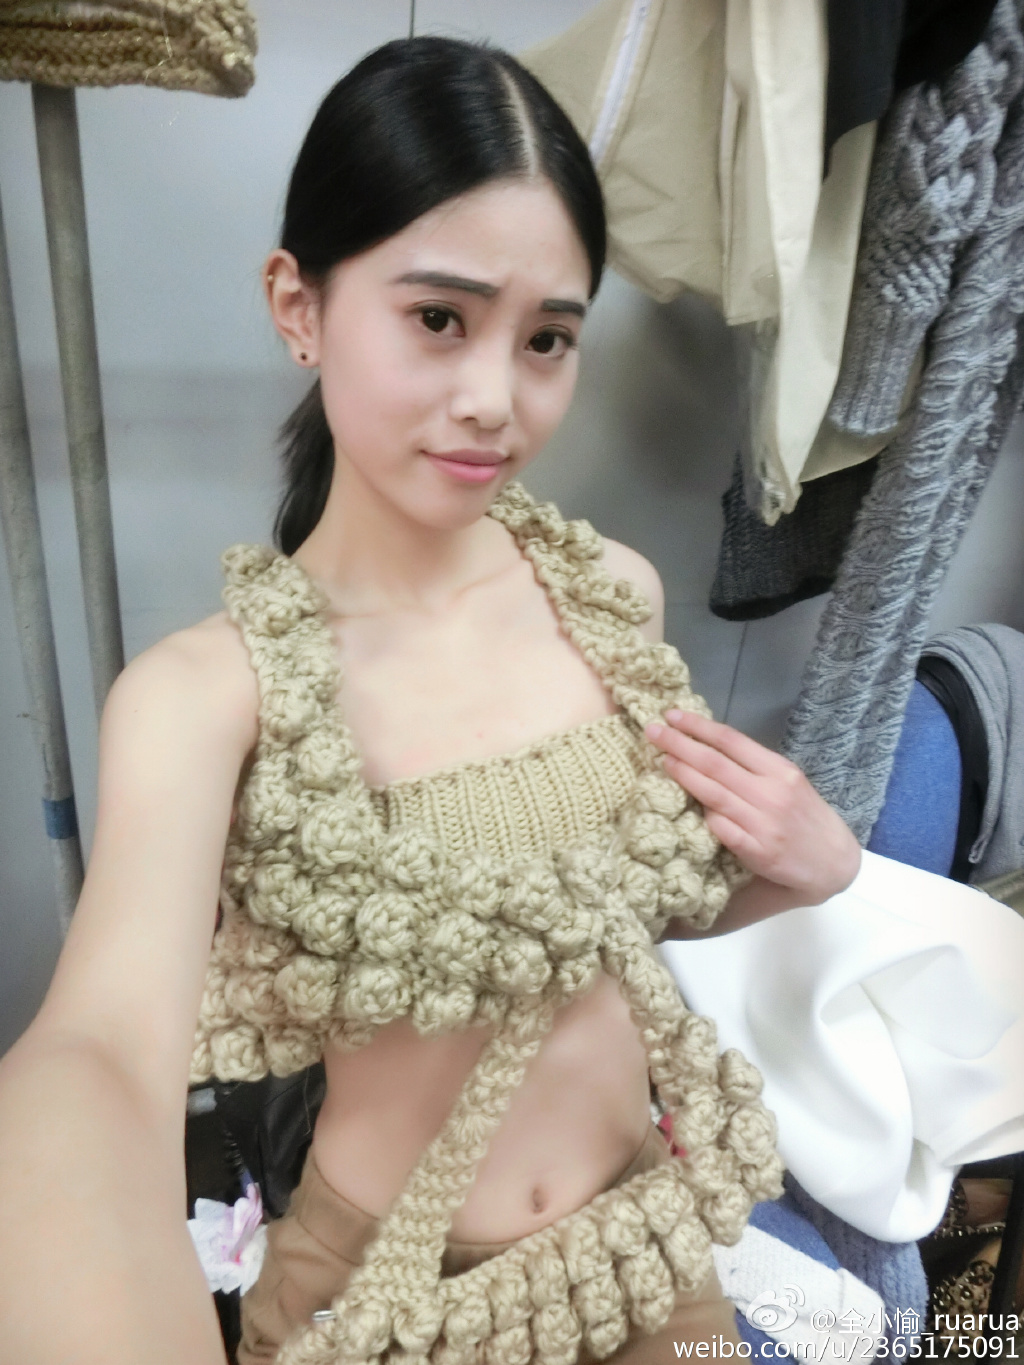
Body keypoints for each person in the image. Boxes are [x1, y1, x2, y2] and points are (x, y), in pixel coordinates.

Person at [0, 37, 861, 1365]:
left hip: (647, 1252)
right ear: (299, 305)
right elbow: (102, 1053)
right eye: (440, 319)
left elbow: (590, 929)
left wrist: (804, 872)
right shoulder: (206, 697)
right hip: (389, 1302)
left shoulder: (611, 596)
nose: (493, 401)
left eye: (547, 339)